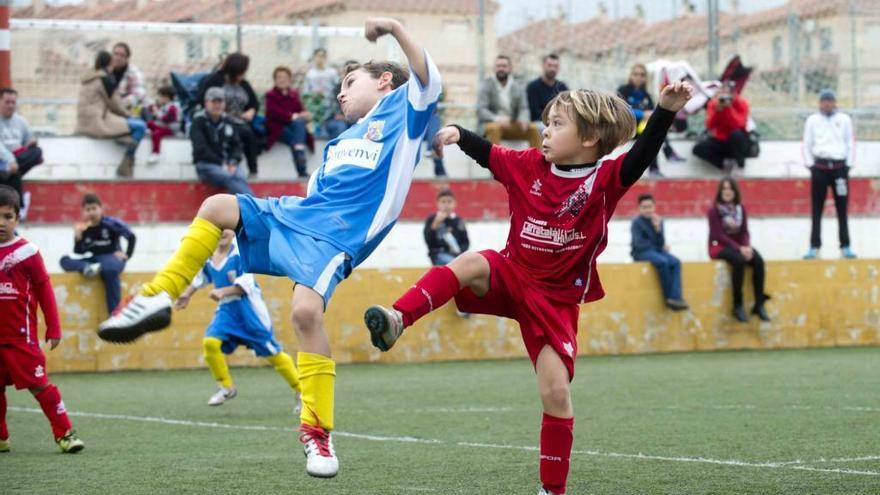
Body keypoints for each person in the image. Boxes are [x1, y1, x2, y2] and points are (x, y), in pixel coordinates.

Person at [97, 17, 442, 480]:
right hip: (298, 215)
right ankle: (159, 295)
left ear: (384, 81)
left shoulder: (405, 109)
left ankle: (317, 434)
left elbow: (427, 76)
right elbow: (316, 191)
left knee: (304, 315)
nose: (340, 93)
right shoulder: (339, 142)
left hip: (336, 238)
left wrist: (395, 28)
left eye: (349, 82)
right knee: (217, 205)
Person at [363, 82, 694, 495]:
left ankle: (552, 490)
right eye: (546, 123)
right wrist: (459, 134)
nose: (546, 132)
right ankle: (398, 317)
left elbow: (642, 154)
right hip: (511, 273)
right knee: (469, 262)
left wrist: (663, 111)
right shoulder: (528, 165)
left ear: (590, 138)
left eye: (557, 124)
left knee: (556, 392)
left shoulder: (606, 179)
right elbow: (489, 153)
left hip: (556, 300)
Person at [174, 230, 302, 410]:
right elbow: (200, 279)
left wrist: (221, 291)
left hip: (249, 311)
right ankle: (226, 386)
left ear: (233, 231)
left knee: (272, 353)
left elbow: (245, 286)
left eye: (225, 228)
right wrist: (186, 295)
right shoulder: (210, 258)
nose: (221, 233)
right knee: (210, 342)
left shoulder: (240, 255)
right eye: (217, 229)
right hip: (226, 311)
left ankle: (300, 390)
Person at [0, 185, 85, 454]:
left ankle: (65, 434)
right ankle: (1, 438)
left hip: (20, 339)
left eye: (7, 216)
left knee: (39, 386)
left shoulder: (27, 252)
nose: (1, 223)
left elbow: (45, 291)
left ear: (17, 217)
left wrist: (54, 326)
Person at [59, 193, 136, 315]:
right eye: (88, 209)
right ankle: (87, 268)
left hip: (112, 257)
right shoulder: (84, 228)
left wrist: (127, 255)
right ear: (83, 211)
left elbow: (131, 236)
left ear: (100, 208)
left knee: (108, 270)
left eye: (94, 208)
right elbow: (79, 251)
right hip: (94, 260)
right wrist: (77, 238)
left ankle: (115, 315)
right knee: (64, 260)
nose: (91, 212)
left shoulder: (111, 223)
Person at [802, 89, 857, 260]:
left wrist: (848, 165)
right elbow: (807, 143)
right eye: (824, 101)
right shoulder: (812, 120)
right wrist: (810, 165)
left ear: (835, 102)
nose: (827, 104)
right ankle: (814, 245)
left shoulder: (844, 119)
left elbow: (850, 142)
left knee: (842, 208)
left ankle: (845, 245)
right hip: (820, 167)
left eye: (830, 100)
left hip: (839, 167)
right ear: (819, 103)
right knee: (817, 208)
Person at [75, 50, 147, 177]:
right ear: (109, 64)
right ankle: (126, 165)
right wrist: (130, 115)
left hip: (83, 123)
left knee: (126, 126)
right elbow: (116, 106)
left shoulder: (89, 78)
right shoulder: (105, 79)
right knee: (140, 126)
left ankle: (124, 138)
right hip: (98, 123)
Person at [708, 178, 770, 323]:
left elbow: (745, 232)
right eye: (724, 189)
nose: (727, 192)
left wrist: (747, 246)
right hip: (719, 246)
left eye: (730, 189)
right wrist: (739, 248)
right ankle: (737, 304)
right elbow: (719, 235)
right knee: (738, 260)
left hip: (739, 246)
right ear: (720, 191)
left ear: (735, 192)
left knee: (758, 260)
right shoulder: (714, 210)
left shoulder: (740, 209)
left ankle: (759, 303)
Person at [197, 53, 261, 177]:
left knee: (248, 133)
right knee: (239, 132)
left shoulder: (243, 84)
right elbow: (202, 99)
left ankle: (253, 170)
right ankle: (229, 165)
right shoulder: (215, 80)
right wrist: (219, 110)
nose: (243, 75)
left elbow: (254, 103)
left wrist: (251, 111)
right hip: (219, 118)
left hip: (240, 119)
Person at [617, 63, 684, 178]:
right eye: (636, 74)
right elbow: (621, 109)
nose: (638, 77)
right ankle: (667, 153)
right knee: (652, 130)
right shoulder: (623, 90)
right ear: (631, 76)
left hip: (642, 128)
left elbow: (655, 112)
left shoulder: (646, 95)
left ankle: (657, 167)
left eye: (642, 75)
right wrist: (643, 114)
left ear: (645, 77)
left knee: (654, 128)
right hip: (628, 127)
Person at [189, 87, 253, 196]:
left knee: (240, 176)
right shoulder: (198, 122)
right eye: (214, 101)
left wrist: (232, 161)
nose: (217, 105)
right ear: (206, 103)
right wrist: (221, 163)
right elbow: (201, 149)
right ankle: (255, 207)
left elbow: (237, 145)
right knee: (229, 176)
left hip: (227, 164)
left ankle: (249, 208)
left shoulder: (228, 121)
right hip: (206, 166)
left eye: (220, 101)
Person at [630, 193, 688, 310]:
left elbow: (661, 242)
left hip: (656, 251)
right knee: (663, 262)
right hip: (641, 253)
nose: (647, 210)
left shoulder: (658, 221)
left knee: (676, 262)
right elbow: (639, 244)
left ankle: (675, 296)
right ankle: (669, 298)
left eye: (650, 206)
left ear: (654, 207)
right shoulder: (636, 222)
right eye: (644, 207)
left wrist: (657, 229)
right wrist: (658, 246)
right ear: (639, 208)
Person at [477, 55, 542, 149]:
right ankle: (496, 162)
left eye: (504, 66)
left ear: (510, 68)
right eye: (498, 66)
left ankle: (538, 162)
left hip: (512, 123)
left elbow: (523, 107)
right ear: (494, 68)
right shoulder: (486, 85)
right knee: (494, 128)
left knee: (533, 129)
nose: (501, 69)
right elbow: (481, 110)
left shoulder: (517, 85)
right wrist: (498, 119)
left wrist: (523, 118)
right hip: (492, 124)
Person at [0, 88, 43, 218]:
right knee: (15, 171)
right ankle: (20, 207)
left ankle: (7, 172)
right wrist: (10, 160)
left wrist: (31, 143)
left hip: (17, 159)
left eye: (13, 102)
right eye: (7, 102)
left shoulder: (21, 121)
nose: (11, 105)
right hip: (3, 159)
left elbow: (28, 140)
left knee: (37, 151)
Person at [265, 66, 312, 179]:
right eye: (279, 77)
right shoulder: (270, 95)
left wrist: (306, 115)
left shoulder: (294, 94)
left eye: (285, 77)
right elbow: (274, 113)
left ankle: (299, 149)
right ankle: (302, 169)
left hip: (293, 126)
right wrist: (292, 116)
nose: (282, 80)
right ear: (275, 80)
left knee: (299, 124)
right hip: (277, 127)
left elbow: (301, 110)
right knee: (296, 136)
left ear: (290, 79)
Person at [692, 81, 750, 174]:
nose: (723, 97)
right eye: (721, 93)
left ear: (733, 94)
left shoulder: (741, 103)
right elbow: (710, 125)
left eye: (726, 94)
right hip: (720, 139)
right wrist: (717, 111)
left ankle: (740, 165)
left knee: (737, 135)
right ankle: (723, 165)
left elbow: (739, 125)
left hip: (737, 141)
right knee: (698, 149)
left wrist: (728, 108)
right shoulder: (713, 104)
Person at [424, 189, 469, 266]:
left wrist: (459, 250)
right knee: (453, 264)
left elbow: (466, 242)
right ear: (438, 204)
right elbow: (428, 241)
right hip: (438, 255)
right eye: (443, 202)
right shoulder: (432, 219)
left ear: (454, 203)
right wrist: (435, 224)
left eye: (449, 201)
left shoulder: (458, 221)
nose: (446, 205)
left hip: (456, 255)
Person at [303, 48, 340, 138]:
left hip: (330, 106)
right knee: (313, 130)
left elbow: (338, 87)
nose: (320, 58)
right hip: (315, 108)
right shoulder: (310, 74)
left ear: (326, 58)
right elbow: (306, 92)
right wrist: (313, 95)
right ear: (314, 57)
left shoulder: (332, 72)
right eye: (318, 56)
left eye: (323, 56)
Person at [526, 54, 569, 125]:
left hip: (558, 122)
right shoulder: (532, 87)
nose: (552, 69)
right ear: (543, 66)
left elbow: (567, 109)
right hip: (539, 123)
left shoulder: (562, 87)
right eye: (550, 65)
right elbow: (535, 113)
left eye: (555, 66)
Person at [322, 59, 357, 140]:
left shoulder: (364, 89)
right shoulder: (336, 88)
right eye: (348, 71)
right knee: (340, 126)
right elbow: (332, 110)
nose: (350, 74)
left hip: (353, 119)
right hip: (334, 119)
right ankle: (337, 151)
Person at [145, 85, 181, 165]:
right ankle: (149, 130)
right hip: (163, 126)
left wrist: (158, 114)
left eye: (160, 97)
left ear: (166, 97)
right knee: (149, 124)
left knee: (157, 134)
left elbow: (170, 118)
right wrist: (153, 108)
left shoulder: (172, 107)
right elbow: (152, 109)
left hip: (170, 128)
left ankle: (156, 153)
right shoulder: (164, 106)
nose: (159, 99)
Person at [109, 42, 147, 113]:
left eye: (122, 55)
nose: (118, 58)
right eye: (116, 54)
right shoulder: (106, 71)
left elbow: (139, 95)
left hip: (131, 111)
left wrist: (118, 104)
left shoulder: (134, 72)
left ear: (127, 58)